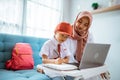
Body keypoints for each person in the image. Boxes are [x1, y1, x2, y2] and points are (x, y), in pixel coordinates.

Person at [65, 11, 110, 80]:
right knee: (86, 76)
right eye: (80, 21)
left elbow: (92, 52)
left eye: (85, 25)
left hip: (83, 65)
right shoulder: (67, 31)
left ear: (88, 26)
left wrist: (99, 67)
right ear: (76, 19)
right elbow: (67, 56)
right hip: (70, 65)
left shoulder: (89, 35)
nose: (81, 26)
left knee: (98, 74)